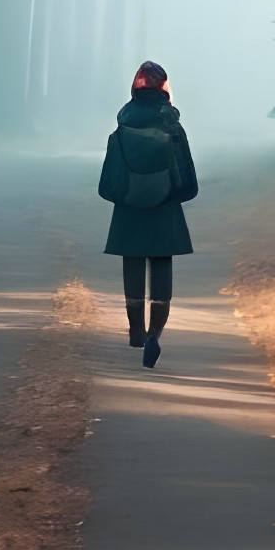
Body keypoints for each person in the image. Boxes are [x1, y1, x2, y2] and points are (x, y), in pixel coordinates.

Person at [96, 60, 198, 367]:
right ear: (164, 87)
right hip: (165, 207)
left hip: (129, 208)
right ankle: (155, 332)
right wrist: (172, 195)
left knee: (133, 264)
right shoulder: (172, 125)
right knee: (161, 265)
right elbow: (188, 180)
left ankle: (135, 330)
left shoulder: (122, 125)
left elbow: (107, 181)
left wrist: (125, 195)